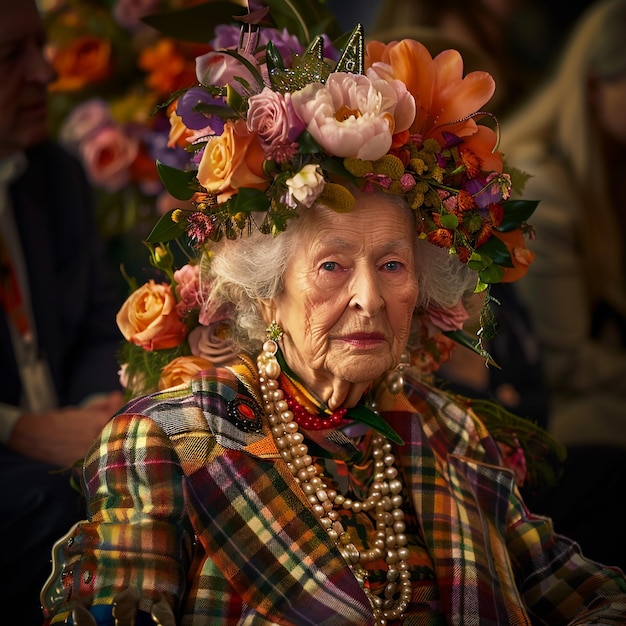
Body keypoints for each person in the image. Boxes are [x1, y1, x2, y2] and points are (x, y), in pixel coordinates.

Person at [41, 4, 626, 625]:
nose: (370, 298)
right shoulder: (170, 438)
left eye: (394, 266)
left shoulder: (449, 431)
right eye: (332, 266)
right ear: (268, 291)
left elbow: (588, 595)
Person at [0, 0, 125, 623]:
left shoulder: (54, 174)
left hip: (73, 438)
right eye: (9, 56)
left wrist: (90, 412)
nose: (46, 74)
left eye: (41, 46)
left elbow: (105, 321)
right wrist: (17, 429)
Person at [500, 0, 626, 569]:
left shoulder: (608, 165)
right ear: (597, 86)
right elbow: (563, 361)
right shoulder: (545, 185)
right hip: (548, 416)